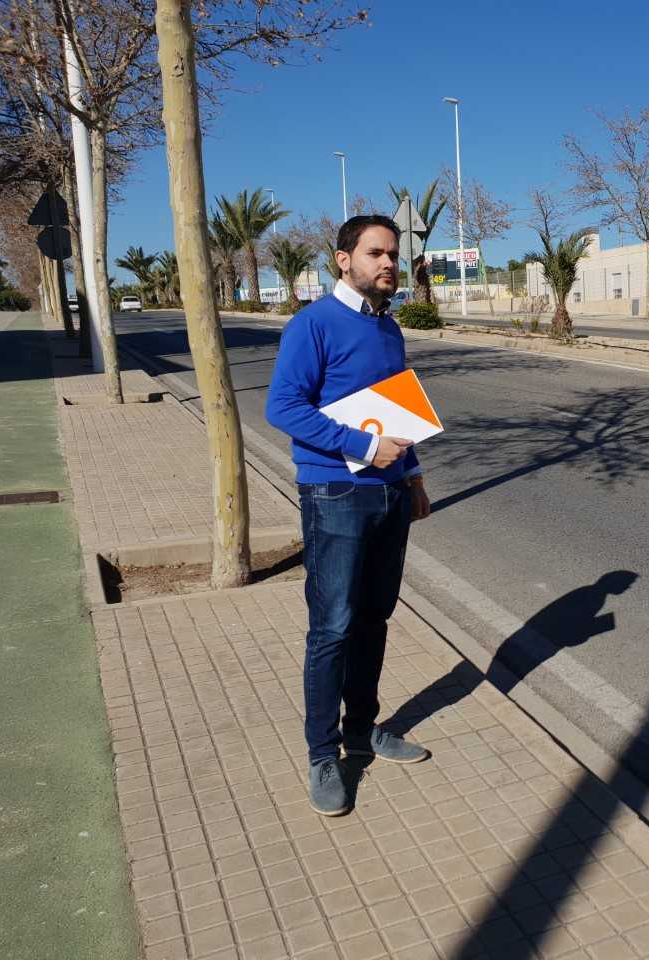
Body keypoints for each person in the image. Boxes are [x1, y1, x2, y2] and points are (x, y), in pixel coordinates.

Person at [266, 214, 432, 816]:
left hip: (389, 493)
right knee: (332, 625)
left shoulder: (389, 329)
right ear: (344, 260)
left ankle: (363, 729)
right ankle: (321, 754)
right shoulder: (312, 324)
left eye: (393, 254)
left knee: (374, 619)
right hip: (335, 492)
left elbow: (397, 410)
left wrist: (410, 474)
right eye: (375, 253)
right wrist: (362, 447)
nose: (387, 263)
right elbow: (282, 405)